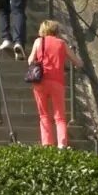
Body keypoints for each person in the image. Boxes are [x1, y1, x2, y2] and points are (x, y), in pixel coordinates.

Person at [27, 19, 74, 148]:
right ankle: (62, 144)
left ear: (43, 30)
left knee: (44, 115)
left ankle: (47, 144)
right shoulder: (61, 43)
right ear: (56, 30)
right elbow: (77, 61)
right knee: (60, 117)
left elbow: (30, 60)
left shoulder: (38, 42)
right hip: (57, 82)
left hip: (40, 82)